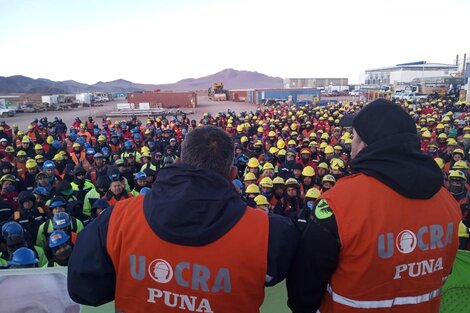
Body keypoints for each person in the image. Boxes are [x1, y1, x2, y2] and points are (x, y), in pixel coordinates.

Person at [68, 125, 300, 312]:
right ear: (233, 175)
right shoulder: (270, 233)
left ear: (178, 164)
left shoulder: (117, 218)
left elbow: (84, 289)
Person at [287, 99, 461, 313]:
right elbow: (443, 271)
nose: (350, 144)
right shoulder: (448, 203)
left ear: (364, 144)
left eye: (353, 137)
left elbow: (305, 286)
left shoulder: (337, 204)